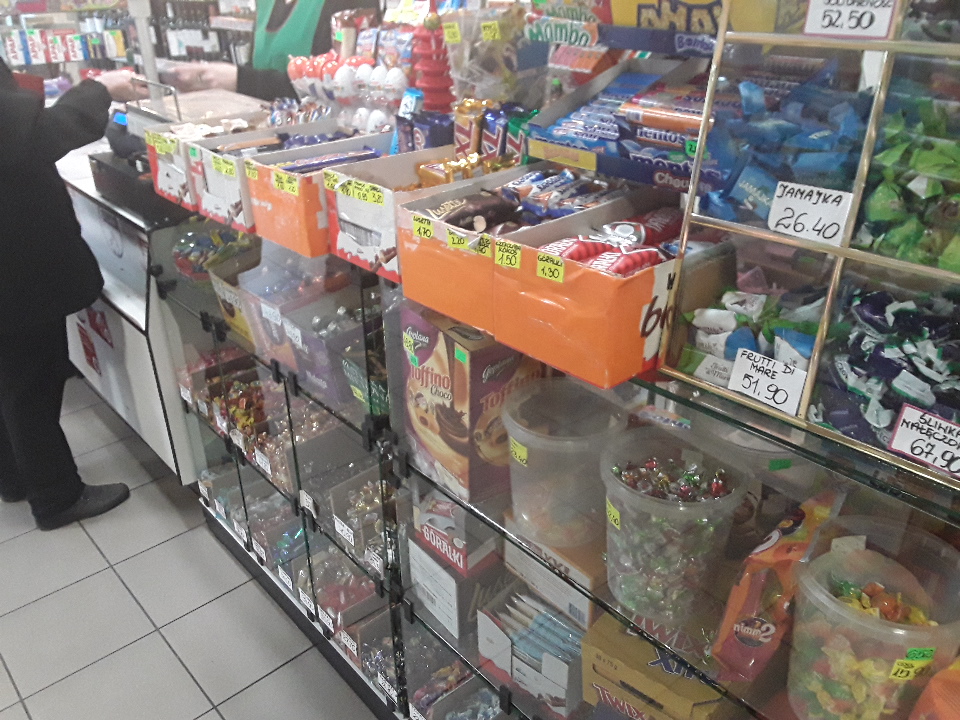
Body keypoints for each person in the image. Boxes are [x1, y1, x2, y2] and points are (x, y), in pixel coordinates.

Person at [0, 60, 143, 530]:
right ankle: (56, 495)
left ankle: (15, 476)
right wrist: (99, 90)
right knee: (32, 378)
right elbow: (33, 138)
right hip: (15, 263)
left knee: (12, 376)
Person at [164, 0, 380, 100]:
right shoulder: (266, 4)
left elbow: (339, 84)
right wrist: (211, 79)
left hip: (319, 139)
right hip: (265, 129)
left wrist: (239, 79)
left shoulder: (347, 4)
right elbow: (260, 65)